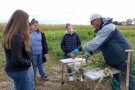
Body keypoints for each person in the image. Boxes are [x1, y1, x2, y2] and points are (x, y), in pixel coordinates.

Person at [69, 13, 135, 90]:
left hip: (122, 58)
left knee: (128, 79)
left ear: (98, 20)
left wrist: (79, 49)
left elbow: (95, 43)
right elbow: (101, 45)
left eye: (92, 22)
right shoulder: (102, 29)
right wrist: (91, 52)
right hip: (113, 60)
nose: (91, 24)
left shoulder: (109, 27)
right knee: (115, 79)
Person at [2, 9, 35, 90]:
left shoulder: (9, 34)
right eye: (26, 20)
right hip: (19, 70)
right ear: (21, 21)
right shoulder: (17, 36)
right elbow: (16, 58)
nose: (28, 22)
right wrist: (28, 63)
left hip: (13, 69)